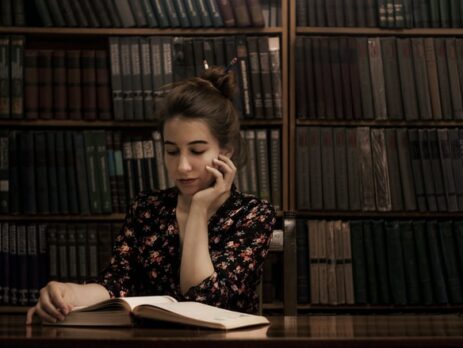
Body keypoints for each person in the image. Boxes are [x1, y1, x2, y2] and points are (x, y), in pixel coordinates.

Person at [26, 63, 276, 324]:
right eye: (171, 151)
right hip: (152, 340)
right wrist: (68, 293)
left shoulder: (254, 214)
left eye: (197, 151)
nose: (182, 166)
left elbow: (202, 300)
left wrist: (199, 208)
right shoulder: (148, 207)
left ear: (226, 151)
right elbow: (116, 283)